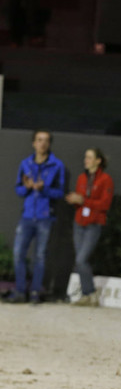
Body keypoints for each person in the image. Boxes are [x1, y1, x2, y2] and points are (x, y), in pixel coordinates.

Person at [5, 129, 65, 304]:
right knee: (18, 254)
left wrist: (43, 189)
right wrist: (28, 187)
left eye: (46, 140)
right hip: (27, 215)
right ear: (33, 143)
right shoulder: (25, 164)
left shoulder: (57, 165)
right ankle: (20, 291)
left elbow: (59, 193)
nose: (42, 143)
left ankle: (35, 292)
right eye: (39, 140)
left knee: (40, 256)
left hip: (45, 217)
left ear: (49, 144)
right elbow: (18, 189)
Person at [64, 148, 115, 306]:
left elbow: (104, 204)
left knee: (81, 259)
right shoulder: (81, 178)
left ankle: (90, 293)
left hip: (94, 224)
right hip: (79, 223)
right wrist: (74, 200)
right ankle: (88, 295)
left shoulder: (106, 179)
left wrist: (83, 201)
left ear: (98, 161)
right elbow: (82, 199)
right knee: (80, 261)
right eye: (85, 157)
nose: (85, 160)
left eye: (89, 157)